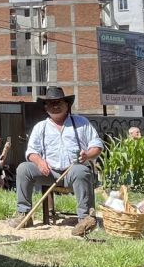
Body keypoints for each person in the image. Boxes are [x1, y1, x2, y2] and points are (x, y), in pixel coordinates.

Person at [15, 86, 103, 234]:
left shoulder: (81, 122)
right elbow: (31, 152)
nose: (55, 106)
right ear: (45, 107)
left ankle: (85, 219)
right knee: (23, 168)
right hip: (49, 173)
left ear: (67, 105)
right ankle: (23, 214)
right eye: (51, 103)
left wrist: (87, 155)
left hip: (73, 171)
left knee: (81, 171)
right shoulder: (40, 127)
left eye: (59, 102)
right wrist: (39, 162)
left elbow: (97, 145)